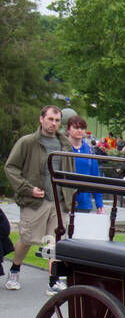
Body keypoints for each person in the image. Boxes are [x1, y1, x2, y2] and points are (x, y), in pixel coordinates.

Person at [5, 105, 72, 293]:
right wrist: (28, 189)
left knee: (53, 241)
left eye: (57, 120)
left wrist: (70, 194)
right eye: (50, 119)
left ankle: (53, 280)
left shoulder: (64, 144)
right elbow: (11, 168)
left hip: (58, 202)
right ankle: (15, 269)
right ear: (41, 119)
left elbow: (70, 172)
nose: (54, 124)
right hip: (34, 200)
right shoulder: (27, 142)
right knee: (27, 238)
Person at [65, 116, 104, 217]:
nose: (79, 131)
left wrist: (99, 203)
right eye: (76, 128)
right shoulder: (62, 148)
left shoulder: (89, 151)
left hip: (84, 202)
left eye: (82, 128)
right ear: (68, 129)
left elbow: (95, 177)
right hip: (65, 201)